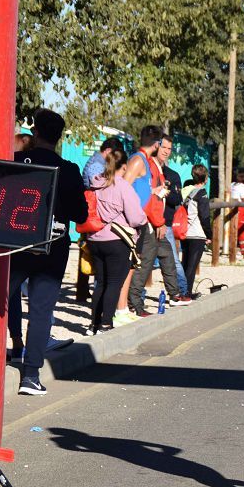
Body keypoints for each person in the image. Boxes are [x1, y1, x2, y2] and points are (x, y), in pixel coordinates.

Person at [7, 109, 88, 396]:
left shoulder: (16, 162)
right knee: (41, 310)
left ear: (36, 132)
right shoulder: (68, 170)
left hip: (15, 242)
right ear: (59, 137)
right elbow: (80, 214)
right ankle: (30, 376)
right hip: (53, 246)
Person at [85, 149, 146, 335]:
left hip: (95, 238)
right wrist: (143, 221)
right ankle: (105, 324)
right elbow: (136, 218)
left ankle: (93, 325)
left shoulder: (95, 182)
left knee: (101, 283)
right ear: (125, 166)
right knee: (113, 283)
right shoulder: (122, 186)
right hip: (116, 240)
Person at [123, 126, 167, 317]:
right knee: (130, 265)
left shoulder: (145, 161)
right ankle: (125, 306)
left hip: (139, 219)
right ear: (157, 144)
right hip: (131, 220)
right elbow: (124, 187)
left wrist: (153, 193)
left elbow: (140, 190)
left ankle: (128, 305)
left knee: (135, 264)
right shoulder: (138, 160)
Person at [77, 136, 126, 302]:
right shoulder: (97, 166)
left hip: (95, 218)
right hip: (96, 220)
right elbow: (101, 188)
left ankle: (86, 293)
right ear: (108, 152)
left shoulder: (96, 163)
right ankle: (92, 297)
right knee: (97, 265)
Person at [155, 133, 192, 304]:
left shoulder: (173, 175)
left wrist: (166, 193)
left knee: (173, 262)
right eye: (164, 147)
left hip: (166, 224)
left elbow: (177, 200)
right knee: (142, 263)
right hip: (146, 224)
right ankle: (134, 301)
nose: (167, 151)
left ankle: (181, 292)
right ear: (157, 146)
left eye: (170, 149)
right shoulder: (147, 170)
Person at [181, 164, 212, 293]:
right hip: (197, 234)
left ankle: (180, 291)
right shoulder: (202, 193)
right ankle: (186, 293)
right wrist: (209, 234)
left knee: (184, 264)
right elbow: (204, 217)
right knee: (192, 267)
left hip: (185, 232)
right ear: (205, 178)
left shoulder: (187, 190)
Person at [231, 169, 244, 251]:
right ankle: (243, 249)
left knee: (232, 229)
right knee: (242, 230)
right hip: (241, 210)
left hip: (231, 208)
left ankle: (231, 246)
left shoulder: (231, 185)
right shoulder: (242, 187)